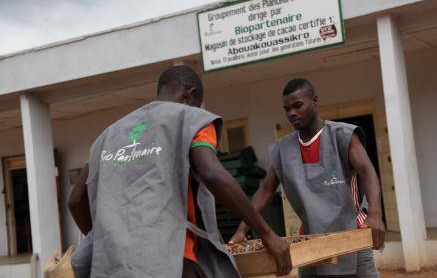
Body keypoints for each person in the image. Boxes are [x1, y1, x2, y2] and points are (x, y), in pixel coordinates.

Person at [68, 65, 292, 278]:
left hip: (112, 267)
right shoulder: (190, 119)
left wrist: (109, 243)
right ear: (190, 95)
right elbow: (212, 174)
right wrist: (267, 234)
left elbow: (76, 200)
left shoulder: (108, 135)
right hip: (169, 261)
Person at [230, 78, 385, 278]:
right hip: (310, 242)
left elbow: (367, 171)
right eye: (287, 109)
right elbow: (266, 190)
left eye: (298, 105)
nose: (292, 113)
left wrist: (375, 213)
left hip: (352, 237)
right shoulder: (283, 149)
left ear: (315, 101)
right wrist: (242, 229)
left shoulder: (342, 135)